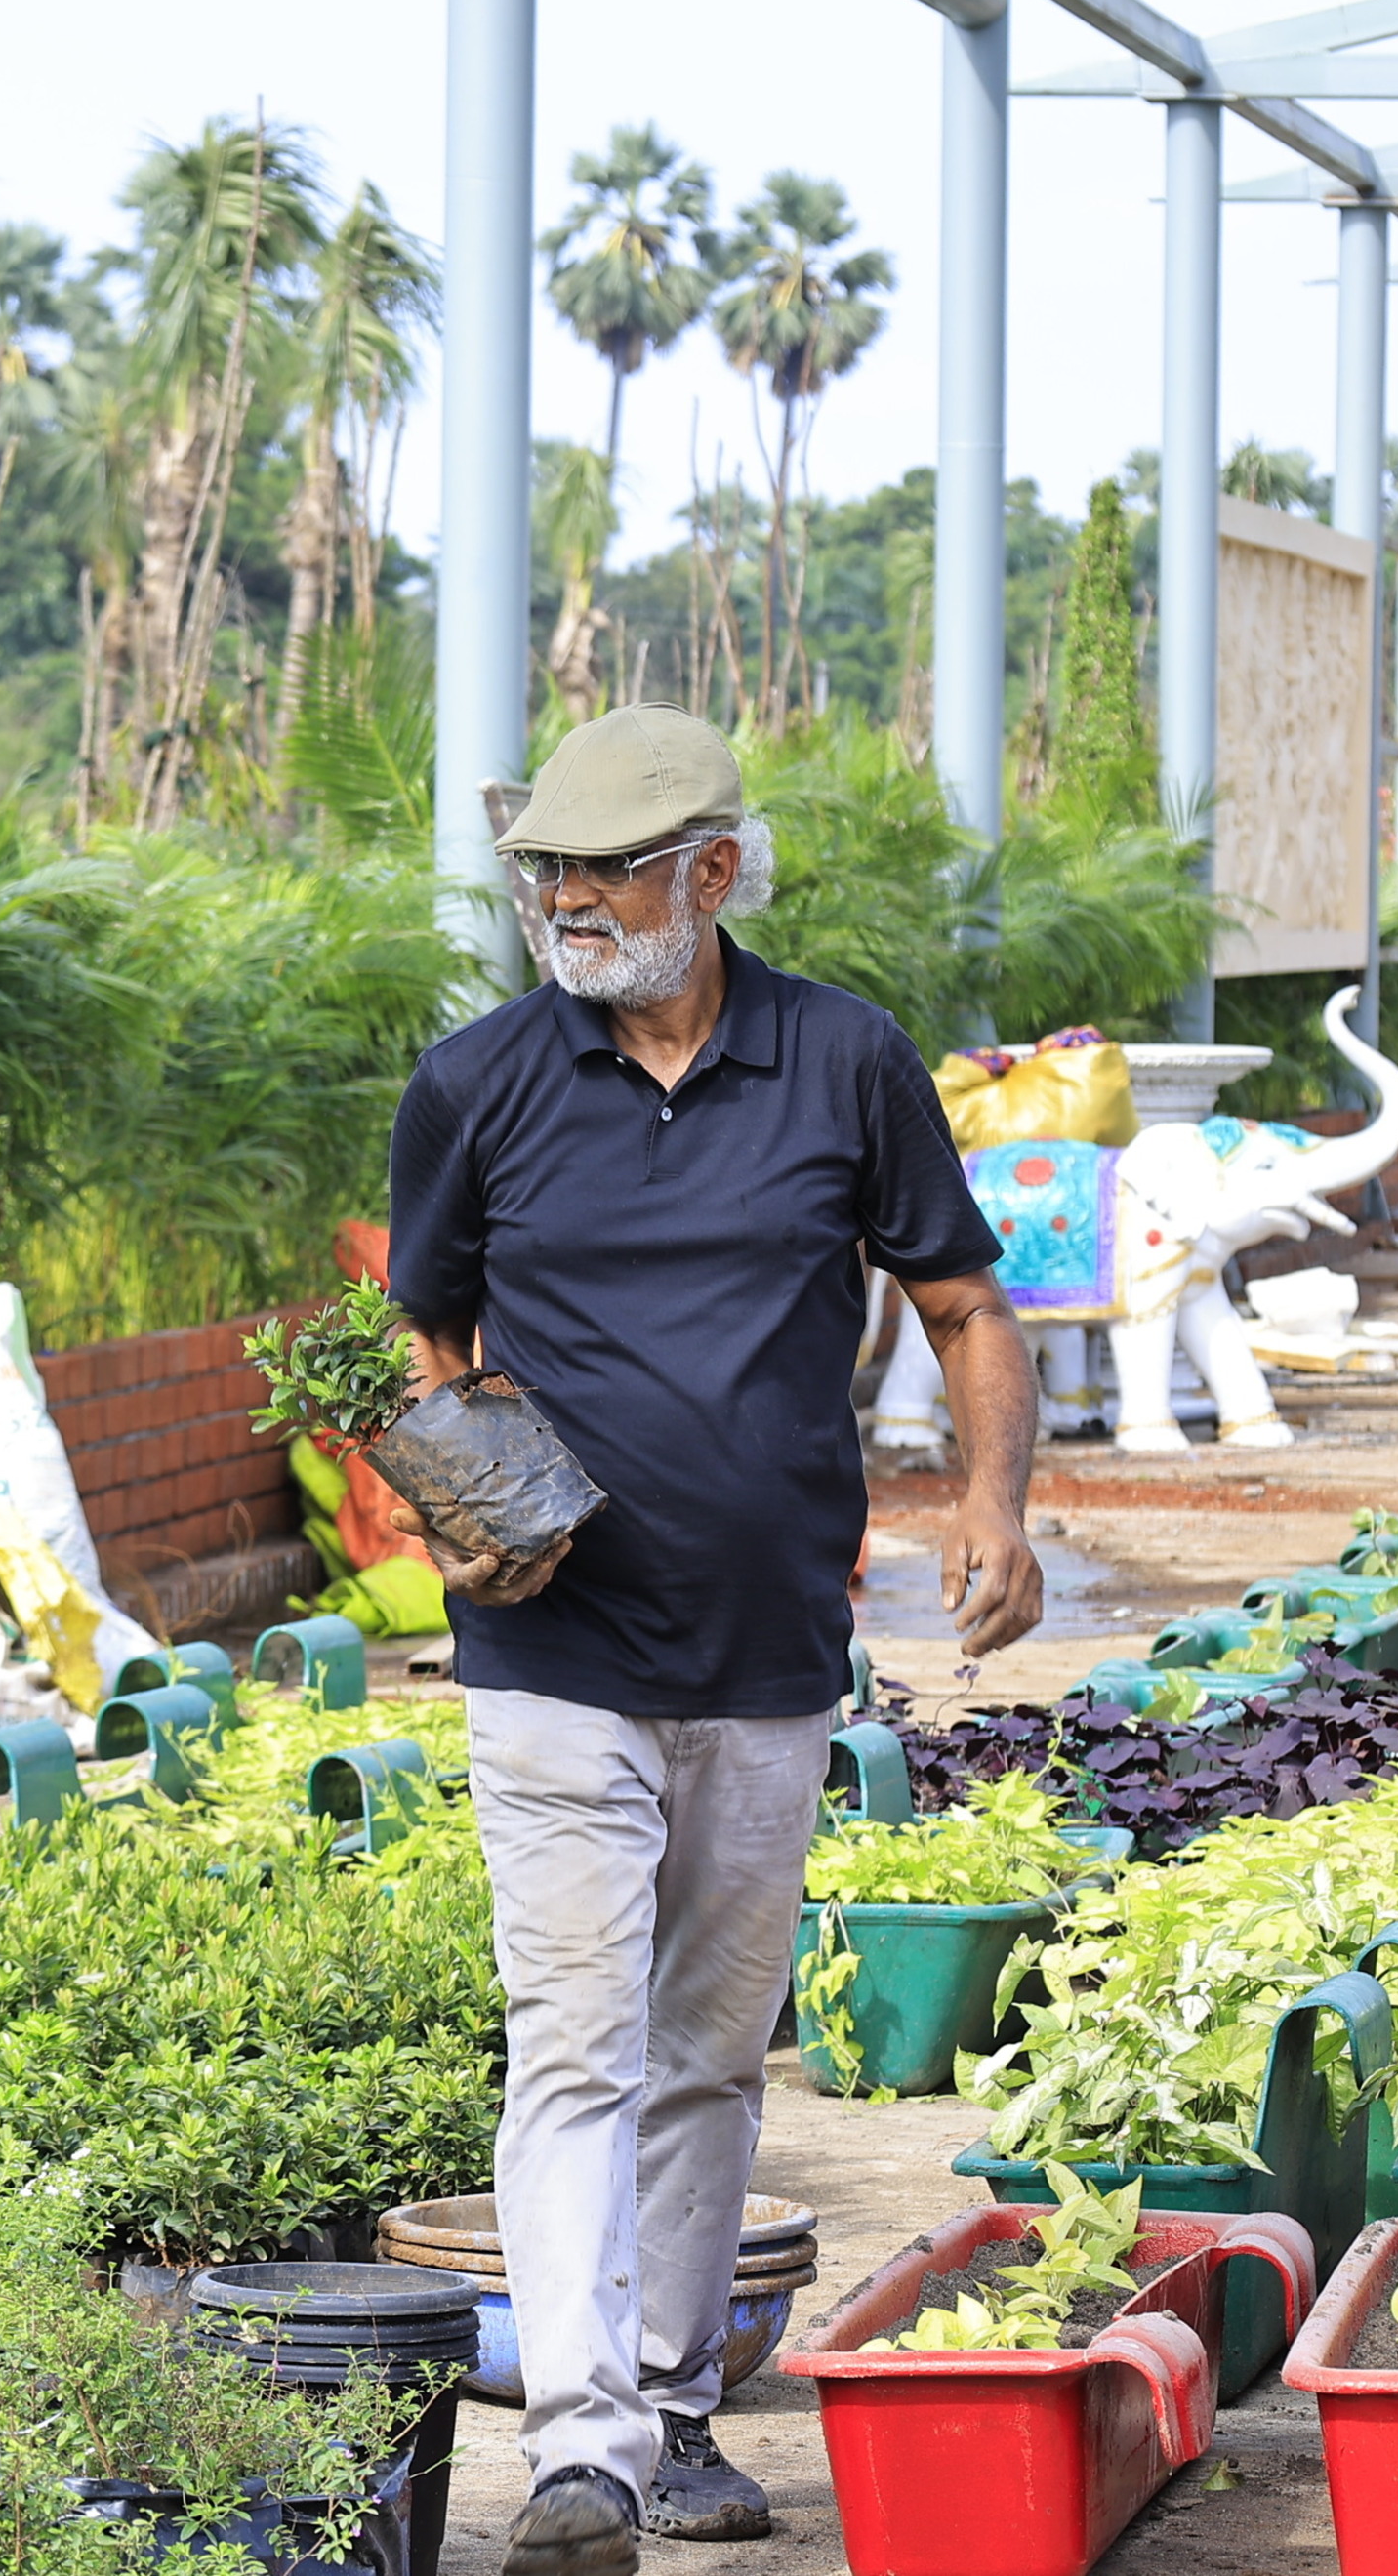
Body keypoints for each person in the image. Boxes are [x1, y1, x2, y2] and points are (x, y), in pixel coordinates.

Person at [385, 704, 1044, 2576]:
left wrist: (993, 1507)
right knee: (573, 2042)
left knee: (708, 2053)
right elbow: (427, 1338)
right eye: (550, 874)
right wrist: (468, 1501)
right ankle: (580, 2454)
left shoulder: (843, 1061)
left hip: (768, 1656)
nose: (570, 903)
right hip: (554, 1660)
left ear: (715, 873)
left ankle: (672, 2410)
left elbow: (963, 1307)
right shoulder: (481, 1081)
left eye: (609, 870)